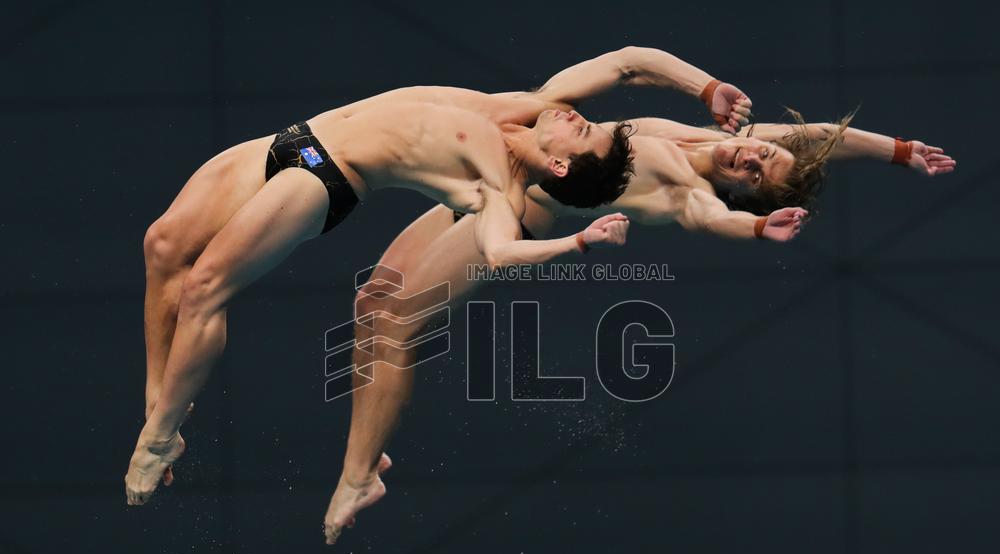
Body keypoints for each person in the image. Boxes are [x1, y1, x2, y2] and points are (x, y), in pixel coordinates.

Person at [127, 46, 757, 508]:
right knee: (163, 246)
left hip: (324, 178)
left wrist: (576, 240)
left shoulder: (499, 188)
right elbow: (627, 64)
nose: (574, 115)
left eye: (582, 130)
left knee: (206, 286)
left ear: (562, 165)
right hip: (297, 138)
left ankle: (157, 440)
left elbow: (501, 252)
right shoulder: (532, 107)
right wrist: (706, 88)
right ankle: (162, 403)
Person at [325, 112, 955, 544]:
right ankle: (368, 453)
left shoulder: (686, 188)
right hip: (498, 185)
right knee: (372, 301)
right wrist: (900, 151)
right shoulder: (708, 138)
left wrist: (760, 227)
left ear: (739, 190)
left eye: (752, 176)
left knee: (397, 324)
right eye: (760, 153)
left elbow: (711, 219)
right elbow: (815, 134)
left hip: (514, 218)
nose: (748, 158)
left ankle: (359, 478)